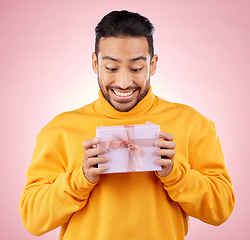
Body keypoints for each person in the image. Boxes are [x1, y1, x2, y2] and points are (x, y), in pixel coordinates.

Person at [19, 10, 235, 240]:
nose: (123, 83)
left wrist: (176, 174)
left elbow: (220, 210)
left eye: (136, 68)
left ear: (152, 65)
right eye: (111, 68)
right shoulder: (59, 130)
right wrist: (80, 179)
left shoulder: (193, 124)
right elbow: (33, 220)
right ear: (95, 63)